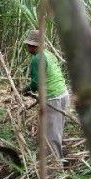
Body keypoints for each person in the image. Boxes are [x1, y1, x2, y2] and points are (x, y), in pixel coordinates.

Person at [22, 29, 70, 158]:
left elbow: (36, 84)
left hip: (53, 98)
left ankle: (55, 169)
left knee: (51, 136)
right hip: (63, 95)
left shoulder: (37, 59)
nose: (27, 47)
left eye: (28, 45)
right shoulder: (49, 54)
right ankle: (56, 160)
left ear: (33, 46)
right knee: (56, 131)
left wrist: (25, 90)